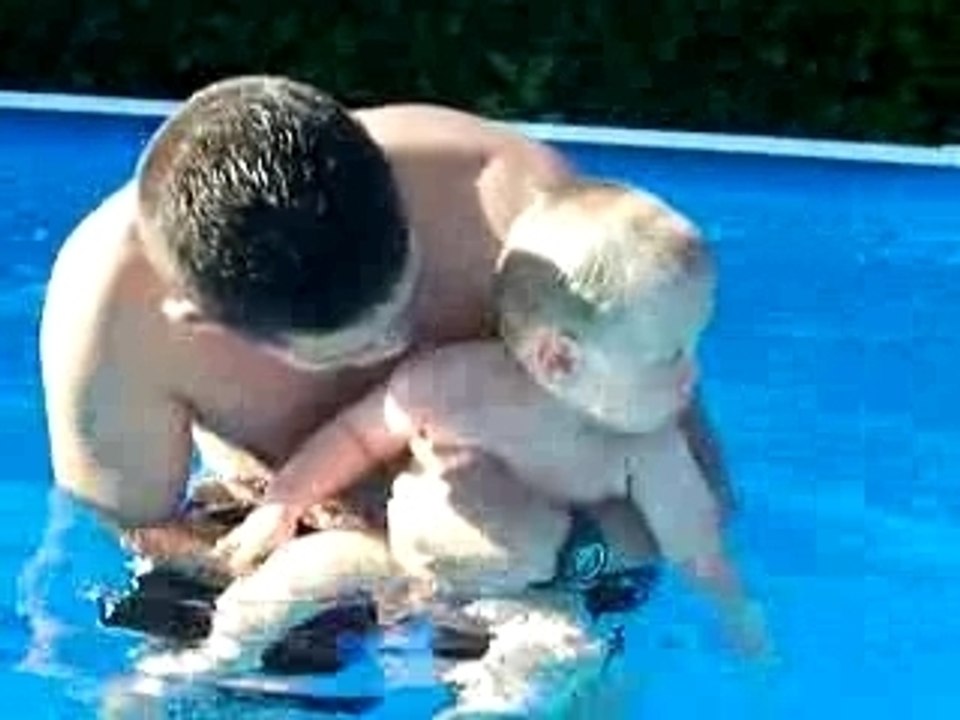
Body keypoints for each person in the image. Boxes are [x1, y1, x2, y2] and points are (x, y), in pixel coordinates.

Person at [32, 74, 735, 713]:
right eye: (355, 348)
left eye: (410, 299)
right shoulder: (109, 321)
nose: (399, 349)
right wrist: (351, 566)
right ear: (202, 320)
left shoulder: (523, 216)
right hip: (297, 541)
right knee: (162, 686)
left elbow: (696, 488)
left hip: (537, 538)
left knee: (562, 670)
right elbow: (136, 531)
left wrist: (560, 556)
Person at [136, 181, 766, 716]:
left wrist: (737, 614)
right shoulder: (451, 385)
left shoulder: (647, 447)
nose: (692, 375)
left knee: (562, 644)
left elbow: (694, 542)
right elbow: (356, 437)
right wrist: (284, 503)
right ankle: (209, 662)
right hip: (393, 557)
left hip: (528, 592)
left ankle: (480, 709)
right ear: (558, 358)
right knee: (306, 567)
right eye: (670, 354)